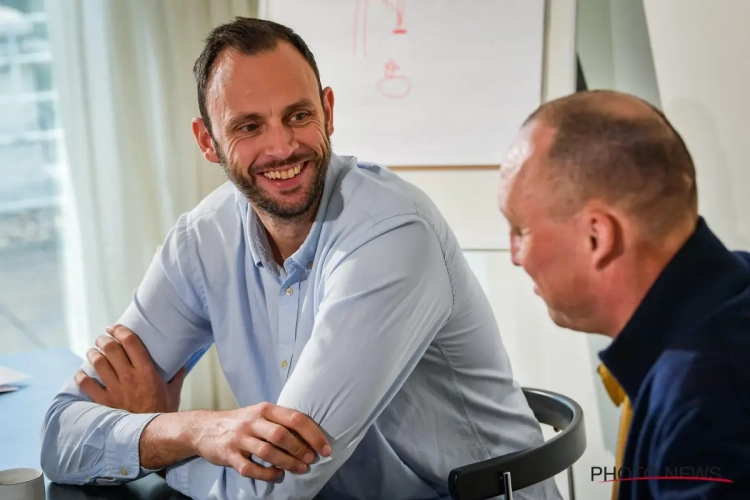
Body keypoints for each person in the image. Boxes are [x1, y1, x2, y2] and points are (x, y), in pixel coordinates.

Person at [40, 17, 562, 500]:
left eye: (299, 115)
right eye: (248, 127)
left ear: (328, 112)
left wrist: (157, 445)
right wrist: (189, 429)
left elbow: (277, 488)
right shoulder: (201, 240)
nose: (282, 147)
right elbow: (59, 433)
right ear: (208, 141)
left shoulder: (391, 237)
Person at [497, 89, 750, 500]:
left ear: (597, 236)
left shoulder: (703, 399)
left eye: (520, 231)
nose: (515, 257)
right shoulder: (734, 283)